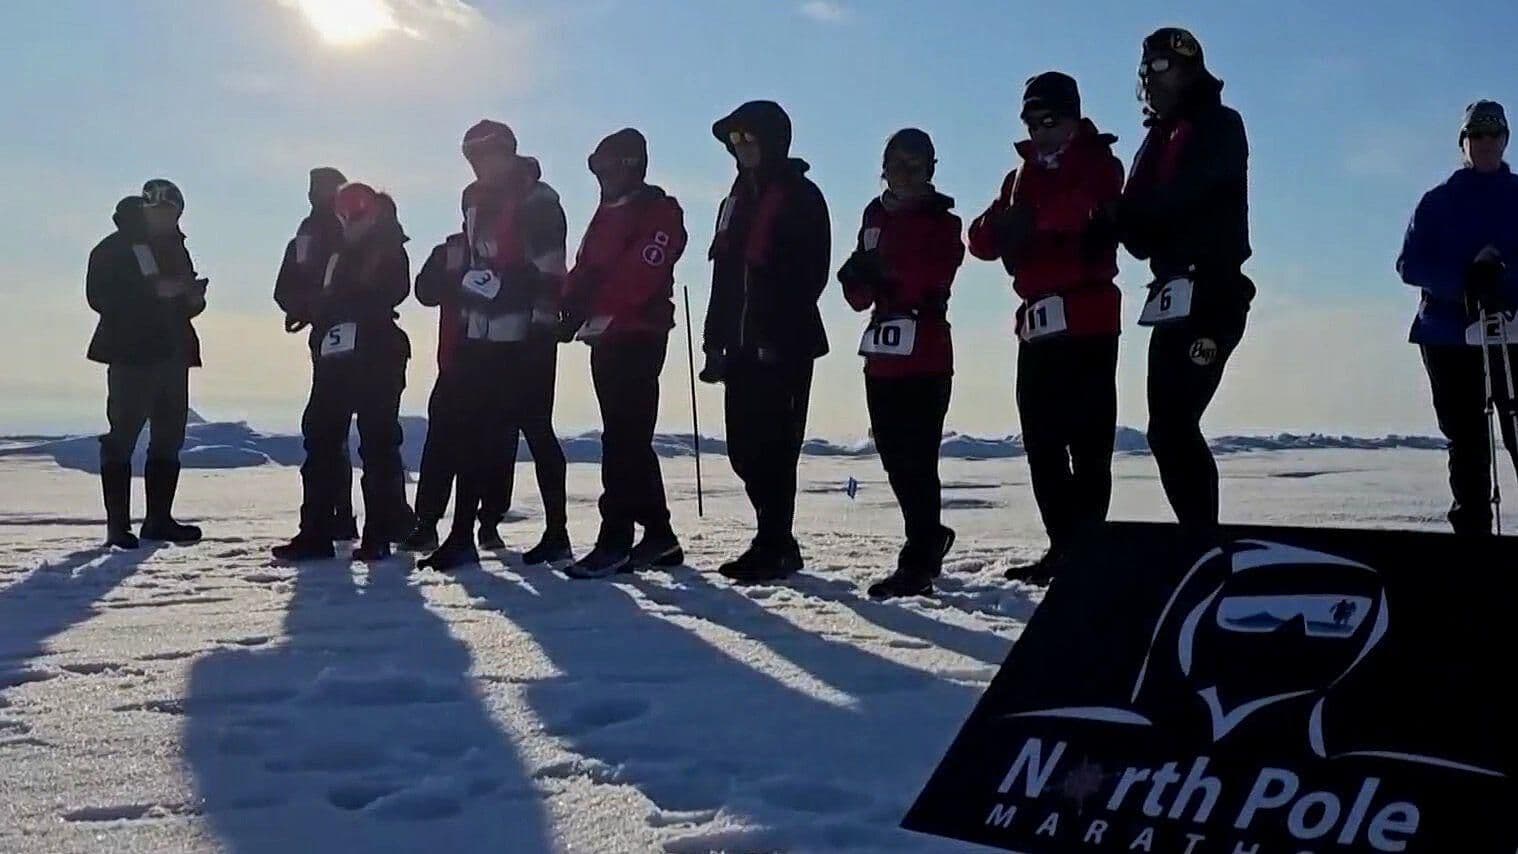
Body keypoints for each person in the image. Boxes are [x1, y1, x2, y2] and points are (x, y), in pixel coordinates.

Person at [967, 72, 1125, 584]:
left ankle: (1088, 545)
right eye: (1032, 121)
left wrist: (1031, 221)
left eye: (1049, 119)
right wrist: (1010, 225)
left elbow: (1083, 210)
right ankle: (1063, 545)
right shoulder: (1020, 176)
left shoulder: (1099, 163)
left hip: (1088, 321)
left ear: (1074, 118)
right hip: (1036, 325)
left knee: (1089, 441)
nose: (1040, 130)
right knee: (1041, 442)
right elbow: (981, 239)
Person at [1117, 27, 1253, 533]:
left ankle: (1202, 537)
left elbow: (1182, 196)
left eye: (1161, 69)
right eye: (1146, 70)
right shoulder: (1157, 138)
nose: (1151, 81)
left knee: (1175, 425)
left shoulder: (1219, 125)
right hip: (1171, 293)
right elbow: (1140, 233)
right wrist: (1119, 218)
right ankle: (1196, 535)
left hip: (1213, 292)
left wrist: (1132, 215)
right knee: (1164, 430)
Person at [421, 120, 571, 572]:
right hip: (480, 334)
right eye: (474, 157)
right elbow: (474, 260)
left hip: (530, 334)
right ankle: (462, 533)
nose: (482, 164)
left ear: (508, 153)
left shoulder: (540, 201)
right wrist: (467, 285)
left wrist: (495, 288)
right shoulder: (473, 199)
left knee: (537, 431)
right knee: (473, 431)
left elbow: (549, 271)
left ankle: (557, 532)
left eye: (489, 154)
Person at [701, 100, 831, 584]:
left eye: (747, 139)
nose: (740, 149)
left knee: (777, 449)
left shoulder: (802, 196)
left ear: (772, 141)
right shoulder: (733, 202)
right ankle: (774, 538)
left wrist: (776, 331)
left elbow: (810, 274)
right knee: (743, 449)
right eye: (734, 142)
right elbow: (723, 278)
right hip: (737, 344)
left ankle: (775, 541)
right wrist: (715, 340)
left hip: (785, 344)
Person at [557, 129, 688, 579]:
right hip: (606, 336)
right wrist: (570, 304)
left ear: (629, 166)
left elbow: (642, 275)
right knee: (625, 435)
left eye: (606, 166)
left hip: (638, 335)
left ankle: (615, 538)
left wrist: (593, 299)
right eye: (594, 166)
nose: (599, 177)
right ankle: (659, 534)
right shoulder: (607, 212)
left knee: (623, 439)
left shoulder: (658, 211)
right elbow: (586, 266)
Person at [839, 128, 964, 599]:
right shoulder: (874, 215)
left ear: (930, 170)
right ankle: (928, 534)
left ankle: (918, 558)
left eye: (915, 166)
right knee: (893, 457)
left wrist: (885, 271)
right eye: (896, 164)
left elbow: (936, 272)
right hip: (883, 356)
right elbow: (859, 295)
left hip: (927, 353)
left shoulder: (942, 221)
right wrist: (857, 277)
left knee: (918, 457)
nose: (904, 174)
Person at [271, 182, 413, 562]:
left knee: (377, 444)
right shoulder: (339, 252)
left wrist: (331, 306)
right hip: (335, 354)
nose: (350, 219)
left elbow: (389, 291)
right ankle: (316, 531)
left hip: (377, 351)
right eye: (344, 212)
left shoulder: (388, 248)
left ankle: (378, 534)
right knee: (321, 439)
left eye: (357, 211)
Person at [1398, 100, 1518, 535]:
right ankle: (1472, 537)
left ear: (1505, 140)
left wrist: (1502, 280)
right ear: (1464, 142)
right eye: (1477, 135)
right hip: (1448, 335)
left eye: (1494, 134)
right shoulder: (1437, 202)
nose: (1486, 143)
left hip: (1511, 333)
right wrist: (1465, 280)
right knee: (1466, 441)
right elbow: (1410, 265)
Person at [87, 179, 207, 548]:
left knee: (169, 439)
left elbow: (183, 302)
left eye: (173, 214)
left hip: (173, 354)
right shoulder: (114, 248)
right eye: (161, 212)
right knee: (122, 436)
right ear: (146, 210)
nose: (167, 219)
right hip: (132, 355)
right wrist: (152, 294)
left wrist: (192, 298)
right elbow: (99, 297)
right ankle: (117, 526)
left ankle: (158, 520)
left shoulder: (175, 249)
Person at [404, 229, 514, 553]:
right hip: (455, 362)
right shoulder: (450, 250)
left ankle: (489, 522)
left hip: (498, 361)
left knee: (494, 445)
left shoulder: (510, 243)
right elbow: (424, 292)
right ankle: (427, 523)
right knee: (441, 443)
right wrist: (456, 278)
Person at [274, 166, 359, 542]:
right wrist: (303, 308)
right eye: (315, 187)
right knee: (328, 433)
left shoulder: (351, 229)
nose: (319, 194)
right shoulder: (307, 233)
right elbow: (286, 284)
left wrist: (315, 306)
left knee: (331, 432)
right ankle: (335, 519)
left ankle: (327, 525)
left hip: (353, 338)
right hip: (327, 338)